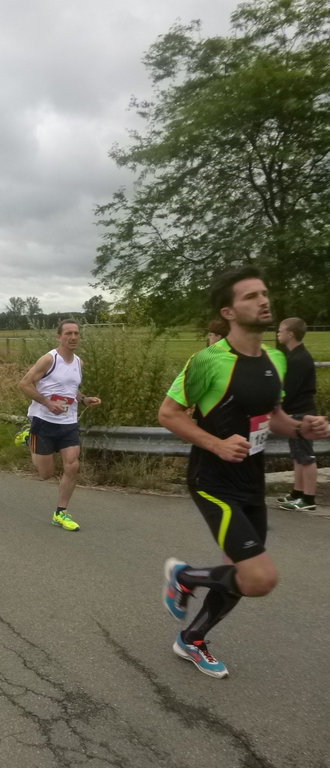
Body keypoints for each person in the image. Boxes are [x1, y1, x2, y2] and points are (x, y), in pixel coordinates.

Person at [159, 266, 329, 678]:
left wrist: (301, 428)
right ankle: (184, 576)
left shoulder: (275, 359)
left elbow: (275, 417)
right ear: (229, 312)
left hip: (251, 482)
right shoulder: (208, 361)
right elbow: (169, 414)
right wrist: (216, 443)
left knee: (238, 572)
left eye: (264, 293)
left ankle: (192, 639)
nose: (263, 300)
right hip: (213, 481)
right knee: (259, 578)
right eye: (251, 296)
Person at [18, 320, 101, 532]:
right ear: (59, 337)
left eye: (76, 333)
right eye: (68, 333)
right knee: (45, 474)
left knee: (72, 466)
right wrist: (47, 403)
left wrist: (84, 399)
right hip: (43, 421)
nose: (73, 337)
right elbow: (24, 384)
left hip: (68, 422)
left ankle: (60, 512)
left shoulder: (79, 363)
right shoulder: (49, 359)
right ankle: (28, 437)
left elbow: (71, 389)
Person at [276, 317, 319, 511]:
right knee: (297, 455)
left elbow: (289, 390)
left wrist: (277, 408)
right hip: (296, 412)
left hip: (302, 413)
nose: (278, 333)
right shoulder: (294, 356)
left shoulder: (299, 359)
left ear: (290, 334)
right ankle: (297, 492)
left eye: (281, 330)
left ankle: (308, 499)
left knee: (306, 456)